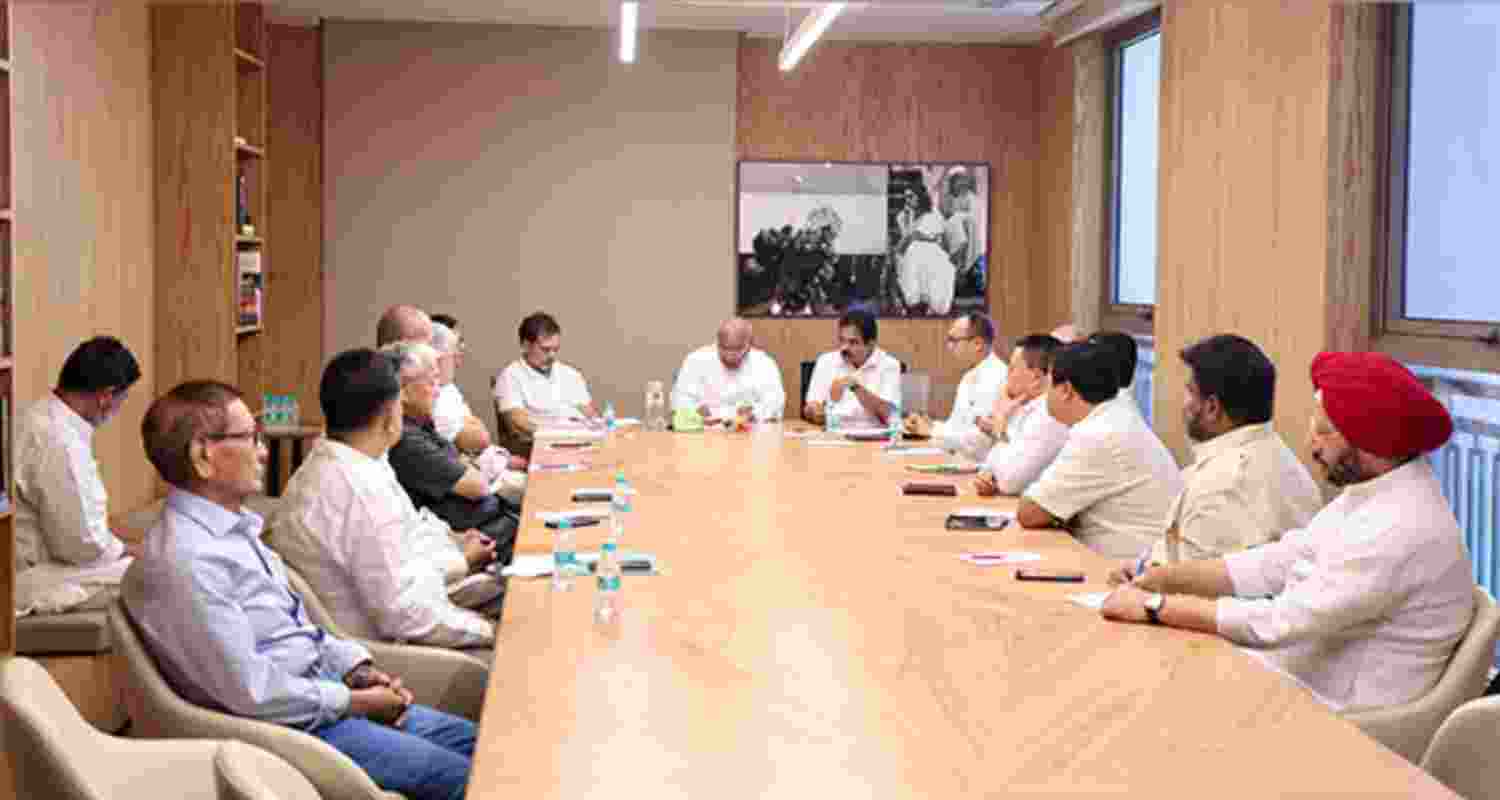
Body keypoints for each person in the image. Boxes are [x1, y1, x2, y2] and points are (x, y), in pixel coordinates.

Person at [126, 380, 475, 800]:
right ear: (203, 455)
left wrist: (356, 671)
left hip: (323, 697)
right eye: (250, 437)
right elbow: (254, 692)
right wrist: (356, 701)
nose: (263, 451)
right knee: (474, 780)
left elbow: (296, 630)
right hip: (291, 733)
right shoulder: (187, 560)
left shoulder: (235, 530)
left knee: (487, 747)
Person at [1103, 352, 1475, 712]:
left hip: (1337, 717)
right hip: (1297, 673)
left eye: (1325, 431)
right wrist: (1164, 579)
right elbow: (1278, 561)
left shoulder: (1399, 527)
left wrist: (1155, 606)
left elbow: (1282, 621)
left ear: (1370, 438)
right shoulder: (1375, 492)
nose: (1311, 443)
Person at [272, 349, 500, 651]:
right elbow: (406, 614)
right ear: (390, 415)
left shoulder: (351, 461)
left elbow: (406, 545)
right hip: (393, 650)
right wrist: (491, 631)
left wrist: (454, 546)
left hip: (415, 602)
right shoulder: (359, 490)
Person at [1106, 335, 1323, 579]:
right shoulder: (1278, 458)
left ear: (1212, 408)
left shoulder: (1222, 483)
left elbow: (1185, 585)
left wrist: (1143, 578)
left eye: (1190, 392)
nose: (1184, 404)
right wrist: (1141, 567)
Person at [1017, 341, 1184, 558]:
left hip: (1130, 567)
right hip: (1139, 558)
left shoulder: (1098, 434)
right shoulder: (1114, 417)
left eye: (1048, 387)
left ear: (1066, 390)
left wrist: (1054, 512)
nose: (1044, 396)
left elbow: (1030, 512)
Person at [14, 337, 143, 616]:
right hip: (34, 578)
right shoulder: (59, 440)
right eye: (123, 400)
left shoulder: (40, 416)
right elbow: (81, 546)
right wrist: (128, 549)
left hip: (37, 564)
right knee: (160, 573)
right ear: (106, 396)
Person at [387, 342, 520, 563]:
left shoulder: (422, 424)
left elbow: (467, 462)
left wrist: (467, 466)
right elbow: (476, 485)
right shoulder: (407, 440)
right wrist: (467, 466)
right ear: (403, 392)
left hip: (486, 523)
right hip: (475, 537)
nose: (438, 391)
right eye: (431, 382)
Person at [973, 334, 1069, 496]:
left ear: (1036, 376)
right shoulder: (1025, 408)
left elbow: (1011, 482)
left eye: (1012, 369)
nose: (1006, 376)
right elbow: (989, 467)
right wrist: (990, 475)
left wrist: (1000, 428)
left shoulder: (1049, 415)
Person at [904, 312, 1007, 460]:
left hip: (981, 465)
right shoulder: (969, 376)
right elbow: (956, 427)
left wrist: (931, 431)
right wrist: (930, 425)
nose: (949, 347)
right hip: (961, 459)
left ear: (977, 344)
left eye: (953, 340)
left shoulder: (997, 376)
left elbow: (979, 442)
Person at [493, 312, 597, 456]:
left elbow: (591, 415)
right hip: (544, 447)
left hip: (582, 443)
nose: (552, 355)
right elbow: (518, 424)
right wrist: (558, 434)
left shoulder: (570, 374)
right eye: (545, 349)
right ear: (526, 346)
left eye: (556, 349)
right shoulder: (510, 376)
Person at [672, 317, 786, 422]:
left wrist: (755, 413)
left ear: (750, 344)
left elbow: (775, 403)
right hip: (704, 432)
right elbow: (679, 401)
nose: (729, 356)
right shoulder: (696, 360)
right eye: (724, 348)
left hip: (751, 432)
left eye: (737, 349)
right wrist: (694, 412)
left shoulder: (764, 363)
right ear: (717, 342)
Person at [803, 309, 903, 428]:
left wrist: (855, 387)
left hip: (874, 435)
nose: (844, 348)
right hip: (834, 434)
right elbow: (810, 407)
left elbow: (888, 415)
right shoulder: (826, 361)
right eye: (842, 340)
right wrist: (814, 411)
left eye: (853, 342)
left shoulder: (889, 365)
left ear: (871, 344)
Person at [896, 183, 956, 315]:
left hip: (931, 250)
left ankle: (931, 304)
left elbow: (941, 236)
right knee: (913, 257)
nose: (907, 200)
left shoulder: (933, 212)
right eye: (906, 197)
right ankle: (915, 301)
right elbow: (906, 237)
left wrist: (923, 237)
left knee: (940, 265)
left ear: (920, 196)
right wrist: (907, 219)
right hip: (911, 250)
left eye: (911, 196)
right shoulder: (903, 216)